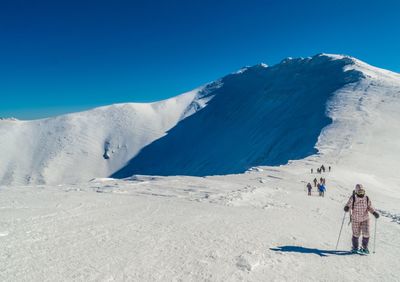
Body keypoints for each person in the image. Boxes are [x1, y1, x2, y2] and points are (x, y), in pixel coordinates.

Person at [344, 184, 379, 254]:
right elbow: (348, 204)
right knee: (356, 234)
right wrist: (347, 208)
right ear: (356, 191)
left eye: (362, 192)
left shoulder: (366, 198)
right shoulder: (353, 198)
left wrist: (374, 212)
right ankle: (355, 248)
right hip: (355, 219)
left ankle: (364, 248)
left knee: (366, 233)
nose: (361, 193)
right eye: (359, 192)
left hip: (365, 218)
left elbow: (369, 207)